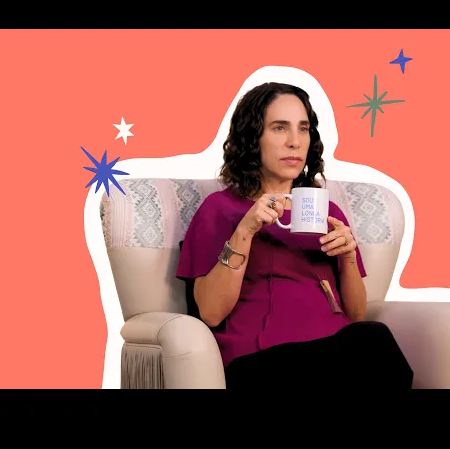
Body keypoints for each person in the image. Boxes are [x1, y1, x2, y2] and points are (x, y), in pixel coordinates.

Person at [176, 82, 413, 391]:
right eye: (279, 128)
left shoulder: (327, 212)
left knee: (370, 338)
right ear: (252, 138)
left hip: (339, 353)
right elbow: (210, 312)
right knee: (372, 341)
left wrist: (348, 257)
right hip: (259, 361)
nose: (295, 142)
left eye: (303, 129)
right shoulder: (221, 209)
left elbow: (356, 314)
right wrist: (245, 231)